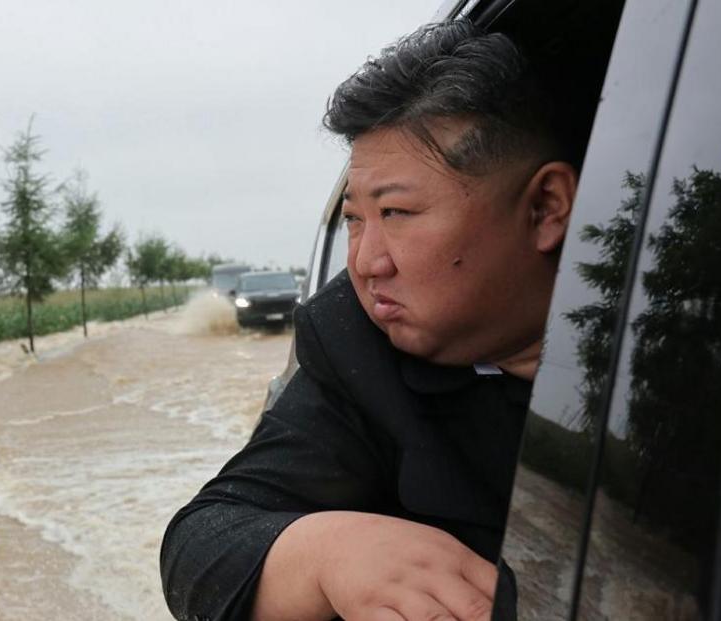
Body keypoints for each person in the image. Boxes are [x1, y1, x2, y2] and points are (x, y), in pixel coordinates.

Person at [161, 20, 583, 621]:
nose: (364, 262)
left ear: (545, 209)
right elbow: (201, 544)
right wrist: (323, 553)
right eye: (356, 219)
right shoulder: (357, 347)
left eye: (397, 212)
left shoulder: (702, 346)